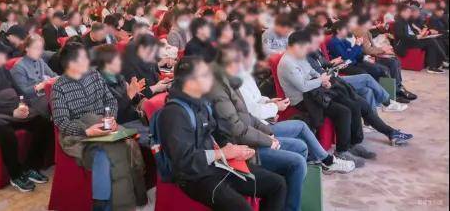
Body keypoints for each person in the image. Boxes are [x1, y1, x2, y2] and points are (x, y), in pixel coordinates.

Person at [157, 55, 287, 211]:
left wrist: (234, 150)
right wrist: (223, 153)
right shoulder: (174, 114)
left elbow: (215, 133)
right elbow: (184, 160)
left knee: (277, 184)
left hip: (217, 164)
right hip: (194, 176)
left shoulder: (201, 102)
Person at [278, 31, 411, 166]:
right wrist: (321, 81)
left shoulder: (299, 56)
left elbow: (312, 71)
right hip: (304, 100)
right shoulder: (287, 63)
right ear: (296, 46)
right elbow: (303, 86)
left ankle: (354, 143)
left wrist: (323, 79)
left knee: (354, 104)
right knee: (344, 111)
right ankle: (342, 150)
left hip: (316, 92)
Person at [51, 42, 147, 210]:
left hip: (102, 126)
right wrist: (86, 131)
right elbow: (61, 122)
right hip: (78, 135)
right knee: (108, 155)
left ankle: (132, 196)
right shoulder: (59, 87)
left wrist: (111, 118)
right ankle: (105, 206)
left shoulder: (94, 75)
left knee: (129, 143)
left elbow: (110, 100)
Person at [235, 38, 355, 173]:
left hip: (266, 119)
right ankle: (327, 160)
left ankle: (327, 158)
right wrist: (275, 108)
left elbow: (257, 99)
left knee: (342, 104)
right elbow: (251, 112)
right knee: (330, 114)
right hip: (259, 127)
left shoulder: (245, 75)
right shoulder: (237, 82)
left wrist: (269, 101)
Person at [0, 39, 52, 192]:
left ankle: (30, 167)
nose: (6, 55)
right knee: (7, 135)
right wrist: (12, 112)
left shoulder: (3, 70)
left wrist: (22, 105)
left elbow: (19, 92)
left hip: (12, 112)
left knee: (43, 123)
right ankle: (16, 175)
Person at [306, 27, 408, 112]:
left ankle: (389, 98)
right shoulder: (334, 42)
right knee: (367, 75)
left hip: (350, 63)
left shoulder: (342, 40)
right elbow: (347, 57)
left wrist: (360, 52)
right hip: (342, 69)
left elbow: (354, 54)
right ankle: (387, 101)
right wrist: (357, 46)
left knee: (383, 70)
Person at [93, 44, 149, 145]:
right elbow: (111, 115)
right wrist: (130, 94)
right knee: (153, 139)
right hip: (120, 124)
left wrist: (136, 93)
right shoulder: (98, 84)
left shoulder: (118, 77)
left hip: (134, 118)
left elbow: (130, 100)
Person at [353, 15, 416, 101]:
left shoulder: (365, 30)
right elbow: (367, 50)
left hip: (371, 56)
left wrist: (383, 51)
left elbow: (372, 47)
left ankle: (398, 87)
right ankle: (394, 92)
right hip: (365, 58)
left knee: (394, 61)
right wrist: (382, 50)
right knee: (388, 66)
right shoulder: (361, 31)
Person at [393, 4, 446, 73]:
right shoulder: (398, 22)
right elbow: (401, 36)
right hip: (404, 44)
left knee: (432, 40)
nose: (410, 14)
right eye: (408, 12)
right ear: (402, 12)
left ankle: (435, 65)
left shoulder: (407, 20)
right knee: (431, 41)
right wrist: (416, 37)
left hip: (411, 40)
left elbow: (414, 29)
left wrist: (421, 34)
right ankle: (442, 60)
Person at [10, 34, 57, 103]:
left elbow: (53, 75)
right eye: (36, 48)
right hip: (30, 101)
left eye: (41, 48)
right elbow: (23, 92)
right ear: (27, 48)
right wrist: (41, 86)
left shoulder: (40, 61)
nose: (40, 52)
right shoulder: (19, 67)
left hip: (44, 95)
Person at [122, 34, 170, 98]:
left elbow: (154, 79)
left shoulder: (148, 61)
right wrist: (155, 88)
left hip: (157, 97)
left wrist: (162, 83)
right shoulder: (128, 66)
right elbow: (134, 95)